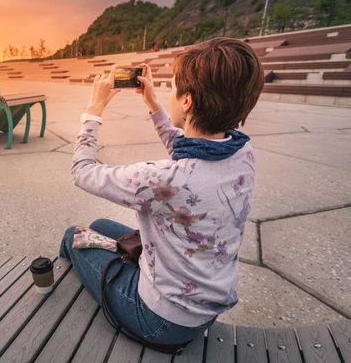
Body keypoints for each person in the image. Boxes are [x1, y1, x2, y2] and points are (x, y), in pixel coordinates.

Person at [60, 38, 264, 347]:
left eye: (174, 89)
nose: (170, 96)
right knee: (101, 226)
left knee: (73, 235)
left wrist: (94, 110)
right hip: (206, 303)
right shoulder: (242, 152)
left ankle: (53, 307)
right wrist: (153, 103)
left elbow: (82, 172)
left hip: (161, 320)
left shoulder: (163, 178)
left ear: (187, 102)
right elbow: (192, 154)